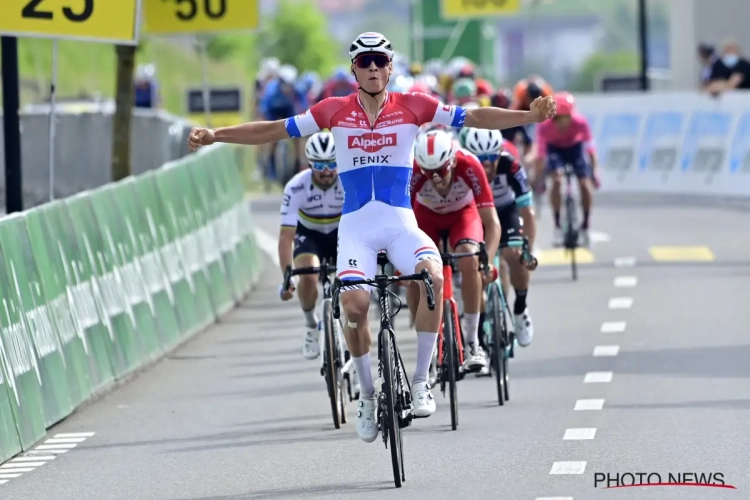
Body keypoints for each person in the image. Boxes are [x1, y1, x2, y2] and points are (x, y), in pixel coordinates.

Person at [187, 31, 556, 444]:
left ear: (391, 66)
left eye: (381, 60)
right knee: (354, 305)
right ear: (354, 69)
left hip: (400, 224)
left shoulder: (414, 105)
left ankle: (420, 381)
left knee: (432, 277)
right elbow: (273, 130)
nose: (374, 68)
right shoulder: (333, 110)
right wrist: (216, 135)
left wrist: (528, 117)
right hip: (357, 229)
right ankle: (365, 394)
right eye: (365, 62)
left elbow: (473, 117)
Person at [409, 130, 501, 372]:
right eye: (429, 173)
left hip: (463, 215)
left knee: (470, 259)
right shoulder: (413, 171)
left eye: (440, 170)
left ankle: (472, 341)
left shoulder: (470, 164)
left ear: (451, 160)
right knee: (413, 275)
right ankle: (426, 349)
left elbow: (492, 223)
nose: (436, 178)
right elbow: (401, 220)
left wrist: (487, 262)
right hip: (426, 217)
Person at [463, 128, 537, 349]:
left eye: (490, 158)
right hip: (477, 213)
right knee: (475, 266)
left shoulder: (511, 165)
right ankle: (481, 320)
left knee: (514, 254)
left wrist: (528, 251)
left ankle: (520, 308)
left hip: (505, 211)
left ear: (499, 153)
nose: (485, 165)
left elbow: (528, 213)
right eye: (480, 159)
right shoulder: (462, 167)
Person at [278, 131, 344, 355]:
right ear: (309, 163)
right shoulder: (296, 186)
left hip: (341, 232)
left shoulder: (348, 180)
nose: (326, 171)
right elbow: (286, 236)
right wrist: (287, 277)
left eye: (332, 163)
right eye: (319, 165)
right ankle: (310, 325)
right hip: (310, 235)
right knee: (307, 275)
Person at [533, 91, 598, 247]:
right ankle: (557, 226)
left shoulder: (581, 122)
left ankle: (586, 225)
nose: (562, 122)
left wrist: (594, 172)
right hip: (555, 150)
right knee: (556, 181)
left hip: (575, 149)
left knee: (585, 184)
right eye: (558, 118)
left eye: (566, 117)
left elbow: (590, 149)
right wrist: (539, 178)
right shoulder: (544, 127)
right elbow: (541, 155)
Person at [259, 64, 308, 182]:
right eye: (285, 85)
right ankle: (271, 165)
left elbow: (303, 104)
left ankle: (297, 162)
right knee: (272, 136)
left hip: (288, 110)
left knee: (298, 135)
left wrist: (303, 114)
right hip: (273, 111)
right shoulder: (272, 89)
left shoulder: (297, 88)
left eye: (290, 85)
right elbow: (264, 107)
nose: (287, 88)